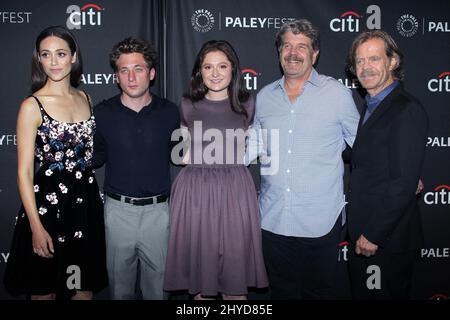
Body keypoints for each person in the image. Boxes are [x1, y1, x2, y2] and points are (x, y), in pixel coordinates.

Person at [246, 19, 360, 299]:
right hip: (272, 220)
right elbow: (249, 149)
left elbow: (364, 147)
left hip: (320, 221)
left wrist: (398, 174)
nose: (293, 52)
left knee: (317, 294)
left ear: (315, 54)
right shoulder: (264, 97)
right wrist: (206, 158)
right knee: (281, 292)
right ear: (279, 52)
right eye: (287, 46)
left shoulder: (336, 94)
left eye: (302, 46)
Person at [3, 26, 108, 300]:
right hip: (47, 209)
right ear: (39, 59)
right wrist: (36, 228)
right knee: (44, 292)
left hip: (85, 205)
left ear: (73, 57)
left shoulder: (86, 98)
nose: (53, 62)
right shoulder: (32, 105)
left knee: (83, 291)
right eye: (46, 55)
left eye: (60, 54)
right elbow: (24, 173)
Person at [163, 40, 268, 300]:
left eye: (222, 65)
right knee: (201, 286)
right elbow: (184, 152)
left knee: (235, 285)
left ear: (233, 69)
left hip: (235, 192)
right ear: (200, 70)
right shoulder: (187, 105)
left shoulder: (249, 105)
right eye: (208, 66)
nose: (215, 73)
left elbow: (256, 147)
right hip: (195, 193)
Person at [93, 37, 179, 300]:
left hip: (159, 214)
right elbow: (92, 159)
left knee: (159, 291)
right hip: (117, 214)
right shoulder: (101, 113)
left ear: (151, 74)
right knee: (119, 290)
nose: (131, 78)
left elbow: (183, 156)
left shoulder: (171, 112)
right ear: (116, 76)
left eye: (138, 69)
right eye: (123, 70)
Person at [346, 30, 428, 299]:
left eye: (374, 59)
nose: (365, 67)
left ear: (392, 62)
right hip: (367, 233)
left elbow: (403, 183)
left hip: (384, 239)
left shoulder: (406, 109)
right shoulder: (372, 105)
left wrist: (374, 234)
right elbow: (370, 158)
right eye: (359, 61)